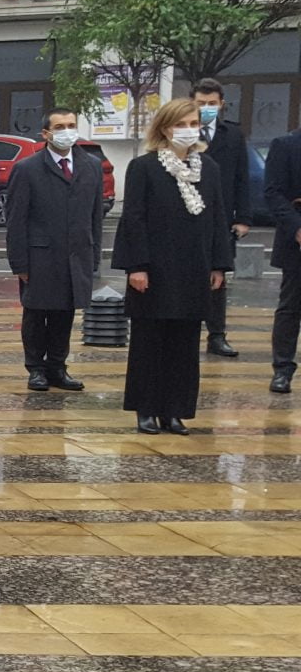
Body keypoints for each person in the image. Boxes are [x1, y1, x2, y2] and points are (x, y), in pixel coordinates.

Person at [113, 98, 233, 434]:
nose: (188, 130)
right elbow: (134, 218)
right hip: (154, 269)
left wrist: (219, 265)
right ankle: (146, 408)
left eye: (193, 123)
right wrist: (137, 266)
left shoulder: (209, 168)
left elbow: (218, 216)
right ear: (165, 129)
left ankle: (174, 410)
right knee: (150, 341)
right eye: (181, 124)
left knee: (184, 343)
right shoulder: (144, 167)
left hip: (194, 267)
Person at [6, 109, 105, 393]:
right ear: (46, 134)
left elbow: (95, 216)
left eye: (71, 125)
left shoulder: (91, 166)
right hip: (40, 255)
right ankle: (36, 368)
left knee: (65, 313)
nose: (67, 131)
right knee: (36, 314)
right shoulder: (27, 169)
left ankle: (57, 367)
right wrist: (19, 263)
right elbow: (16, 219)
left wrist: (93, 256)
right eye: (60, 127)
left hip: (76, 254)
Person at [191, 78, 250, 358]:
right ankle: (186, 330)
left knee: (218, 276)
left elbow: (242, 178)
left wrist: (243, 218)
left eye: (211, 103)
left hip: (221, 217)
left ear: (221, 104)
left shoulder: (233, 135)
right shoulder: (184, 131)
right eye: (201, 103)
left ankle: (217, 335)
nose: (206, 108)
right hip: (189, 213)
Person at [266, 122, 301, 394]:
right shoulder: (285, 145)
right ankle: (282, 369)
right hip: (296, 238)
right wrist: (296, 227)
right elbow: (273, 192)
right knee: (291, 306)